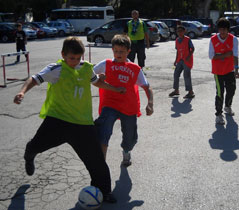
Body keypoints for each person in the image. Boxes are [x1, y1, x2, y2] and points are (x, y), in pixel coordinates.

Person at [13, 36, 126, 203]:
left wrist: (114, 88)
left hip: (82, 124)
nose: (75, 61)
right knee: (35, 146)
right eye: (72, 58)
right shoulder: (56, 69)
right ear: (63, 54)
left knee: (96, 160)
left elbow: (97, 83)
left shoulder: (86, 68)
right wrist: (22, 92)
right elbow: (34, 79)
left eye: (78, 58)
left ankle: (103, 191)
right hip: (58, 121)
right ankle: (29, 154)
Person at [94, 34, 153, 166]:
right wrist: (99, 78)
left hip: (128, 107)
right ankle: (100, 166)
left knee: (130, 137)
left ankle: (127, 150)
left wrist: (150, 104)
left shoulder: (134, 68)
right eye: (116, 51)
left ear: (128, 51)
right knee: (103, 132)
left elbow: (147, 87)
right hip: (110, 105)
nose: (118, 54)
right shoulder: (106, 64)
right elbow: (89, 75)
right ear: (112, 50)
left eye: (121, 51)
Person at [209, 17, 239, 125]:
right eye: (220, 29)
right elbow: (211, 56)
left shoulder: (234, 39)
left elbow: (235, 55)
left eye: (224, 29)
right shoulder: (213, 39)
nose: (222, 32)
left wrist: (236, 69)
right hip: (218, 72)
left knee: (231, 90)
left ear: (228, 30)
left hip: (229, 70)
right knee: (220, 93)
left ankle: (227, 106)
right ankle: (218, 115)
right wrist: (225, 55)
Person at [169, 25, 195, 99]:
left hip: (186, 60)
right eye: (178, 31)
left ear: (184, 31)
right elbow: (178, 50)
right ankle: (176, 90)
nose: (179, 32)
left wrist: (188, 57)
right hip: (180, 60)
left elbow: (192, 48)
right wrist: (175, 60)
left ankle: (190, 92)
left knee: (186, 76)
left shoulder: (187, 39)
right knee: (176, 74)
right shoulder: (177, 40)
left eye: (181, 31)